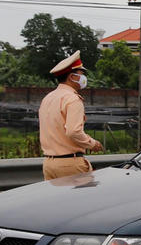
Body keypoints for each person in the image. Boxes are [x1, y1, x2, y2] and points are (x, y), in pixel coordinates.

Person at [38, 51, 103, 180]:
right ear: (72, 77)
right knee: (82, 200)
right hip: (70, 164)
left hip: (49, 164)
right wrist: (92, 144)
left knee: (56, 201)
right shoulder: (72, 99)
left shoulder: (48, 98)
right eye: (81, 74)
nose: (83, 77)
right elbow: (73, 131)